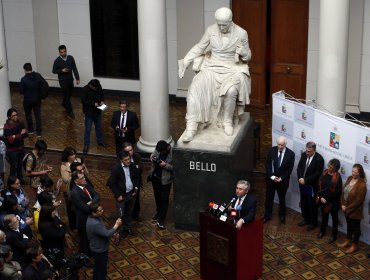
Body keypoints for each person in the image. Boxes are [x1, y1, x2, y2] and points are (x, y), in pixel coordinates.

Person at [178, 7, 251, 142]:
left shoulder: (241, 33)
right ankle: (191, 127)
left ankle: (227, 121)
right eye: (219, 24)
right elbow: (200, 47)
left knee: (231, 90)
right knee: (194, 89)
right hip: (211, 67)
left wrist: (244, 53)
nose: (221, 27)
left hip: (231, 69)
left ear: (230, 21)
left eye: (224, 24)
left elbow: (248, 56)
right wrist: (186, 61)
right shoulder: (211, 30)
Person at [86, 202, 122, 280]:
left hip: (96, 247)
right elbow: (106, 234)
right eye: (99, 210)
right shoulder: (95, 223)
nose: (102, 211)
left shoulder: (94, 217)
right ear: (93, 212)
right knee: (101, 270)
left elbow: (102, 231)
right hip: (99, 250)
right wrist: (116, 225)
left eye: (102, 209)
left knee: (98, 268)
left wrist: (112, 233)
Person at [107, 150, 139, 236]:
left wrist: (135, 189)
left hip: (131, 194)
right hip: (122, 196)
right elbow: (111, 183)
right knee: (120, 214)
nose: (128, 161)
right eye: (125, 160)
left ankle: (128, 227)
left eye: (129, 159)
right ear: (121, 160)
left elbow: (136, 177)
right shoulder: (116, 168)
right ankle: (120, 231)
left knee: (129, 212)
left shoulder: (132, 166)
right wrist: (118, 195)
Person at [263, 136, 295, 224]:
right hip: (271, 180)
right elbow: (268, 165)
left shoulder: (291, 154)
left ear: (285, 144)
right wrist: (272, 177)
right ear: (277, 144)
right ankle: (267, 215)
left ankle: (282, 216)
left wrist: (281, 178)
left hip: (283, 181)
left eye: (282, 145)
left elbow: (289, 169)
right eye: (279, 145)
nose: (280, 146)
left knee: (282, 199)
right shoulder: (271, 150)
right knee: (269, 199)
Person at [337, 164, 367, 254]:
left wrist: (347, 208)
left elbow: (358, 201)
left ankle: (354, 245)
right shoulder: (349, 178)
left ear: (360, 173)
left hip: (355, 211)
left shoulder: (362, 184)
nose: (353, 173)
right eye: (352, 171)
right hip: (345, 208)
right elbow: (343, 191)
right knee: (349, 226)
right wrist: (342, 204)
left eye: (355, 172)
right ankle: (348, 240)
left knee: (356, 229)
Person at [69, 171, 100, 256]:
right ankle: (84, 257)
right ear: (76, 181)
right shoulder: (75, 192)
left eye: (84, 177)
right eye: (81, 178)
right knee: (84, 240)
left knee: (91, 237)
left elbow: (97, 195)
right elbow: (85, 209)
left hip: (91, 217)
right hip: (84, 220)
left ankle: (90, 252)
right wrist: (94, 203)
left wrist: (91, 202)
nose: (84, 179)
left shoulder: (86, 185)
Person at [296, 141, 324, 231]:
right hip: (302, 184)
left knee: (312, 205)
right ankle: (306, 219)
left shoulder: (319, 159)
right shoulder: (304, 155)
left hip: (311, 187)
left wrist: (306, 180)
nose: (307, 152)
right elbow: (299, 167)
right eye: (306, 150)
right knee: (303, 202)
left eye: (309, 151)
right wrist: (300, 178)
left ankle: (313, 222)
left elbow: (317, 174)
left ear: (314, 150)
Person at [316, 158, 342, 243]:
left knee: (334, 219)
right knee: (324, 217)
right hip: (323, 200)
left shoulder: (338, 178)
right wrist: (320, 197)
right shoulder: (324, 173)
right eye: (329, 165)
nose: (328, 168)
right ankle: (322, 231)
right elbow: (319, 185)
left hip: (333, 202)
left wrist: (326, 199)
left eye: (331, 167)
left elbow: (337, 192)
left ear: (335, 168)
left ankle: (334, 235)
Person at [60, 147, 86, 228]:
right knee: (71, 207)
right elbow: (66, 179)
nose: (74, 155)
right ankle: (73, 224)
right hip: (70, 189)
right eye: (71, 154)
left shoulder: (78, 161)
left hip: (81, 187)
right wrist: (74, 172)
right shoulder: (64, 165)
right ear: (67, 156)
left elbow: (86, 173)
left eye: (74, 153)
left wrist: (83, 168)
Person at [149, 140, 173, 229]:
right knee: (157, 197)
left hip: (165, 181)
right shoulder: (159, 148)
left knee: (164, 199)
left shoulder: (173, 153)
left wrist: (165, 165)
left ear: (166, 149)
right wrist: (152, 157)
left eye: (161, 152)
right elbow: (153, 155)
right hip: (155, 178)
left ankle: (161, 220)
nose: (159, 153)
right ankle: (158, 213)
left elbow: (176, 168)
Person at [52, 44, 80, 119]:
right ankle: (70, 111)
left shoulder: (71, 58)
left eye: (64, 51)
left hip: (70, 79)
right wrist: (61, 70)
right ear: (59, 52)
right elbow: (54, 71)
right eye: (61, 52)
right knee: (67, 95)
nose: (63, 53)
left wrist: (77, 78)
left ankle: (64, 103)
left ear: (66, 51)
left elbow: (74, 68)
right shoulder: (57, 60)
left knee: (70, 93)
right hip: (62, 80)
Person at [81, 79, 106, 154]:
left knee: (99, 127)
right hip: (89, 113)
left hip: (97, 111)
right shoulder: (84, 89)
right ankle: (86, 145)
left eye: (97, 88)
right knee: (88, 129)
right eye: (95, 88)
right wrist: (93, 104)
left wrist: (102, 100)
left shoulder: (98, 87)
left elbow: (102, 95)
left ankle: (100, 141)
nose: (96, 89)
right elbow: (83, 101)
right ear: (91, 85)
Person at [19, 62, 45, 136]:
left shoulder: (23, 79)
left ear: (25, 70)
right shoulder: (38, 76)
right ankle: (39, 133)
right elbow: (43, 85)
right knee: (37, 115)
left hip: (27, 100)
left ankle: (30, 130)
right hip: (37, 99)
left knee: (28, 115)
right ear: (31, 68)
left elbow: (21, 91)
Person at [3, 108, 28, 183]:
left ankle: (20, 179)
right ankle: (11, 182)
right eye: (13, 115)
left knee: (20, 165)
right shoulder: (7, 127)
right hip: (12, 151)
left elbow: (26, 134)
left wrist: (15, 136)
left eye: (16, 115)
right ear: (9, 117)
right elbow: (10, 141)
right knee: (14, 167)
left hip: (21, 149)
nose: (16, 117)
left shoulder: (20, 123)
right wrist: (20, 134)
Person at [123, 142, 143, 221]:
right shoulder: (121, 159)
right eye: (127, 151)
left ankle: (136, 214)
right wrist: (136, 167)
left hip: (136, 183)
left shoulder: (137, 156)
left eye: (131, 150)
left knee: (136, 200)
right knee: (127, 201)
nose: (130, 152)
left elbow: (140, 169)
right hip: (126, 185)